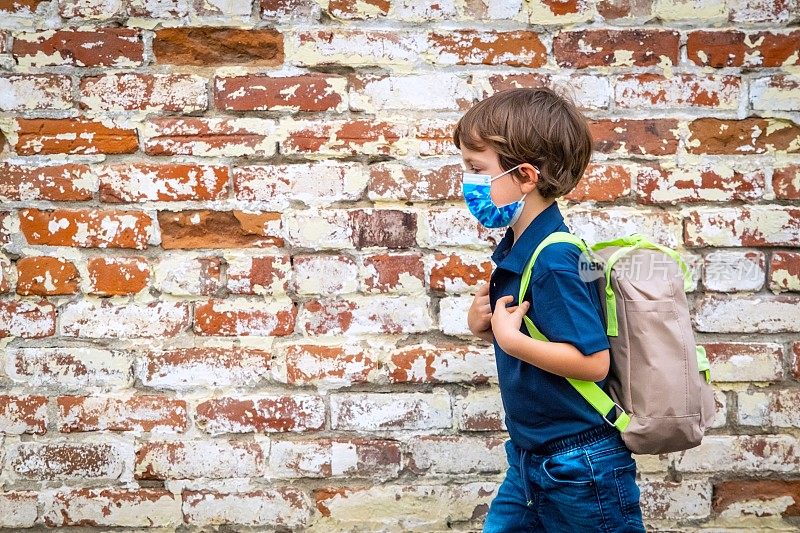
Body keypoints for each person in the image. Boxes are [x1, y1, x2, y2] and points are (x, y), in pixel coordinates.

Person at [456, 87, 647, 532]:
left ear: (524, 177)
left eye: (475, 169)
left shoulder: (554, 258)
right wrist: (485, 327)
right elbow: (539, 335)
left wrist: (509, 340)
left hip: (580, 466)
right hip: (529, 457)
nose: (468, 183)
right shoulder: (521, 248)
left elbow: (592, 361)